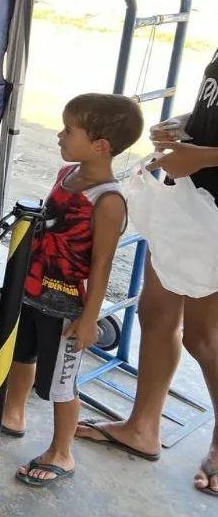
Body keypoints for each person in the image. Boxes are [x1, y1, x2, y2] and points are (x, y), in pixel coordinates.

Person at [0, 94, 143, 487]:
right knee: (20, 356)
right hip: (32, 290)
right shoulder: (65, 174)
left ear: (101, 146)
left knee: (61, 384)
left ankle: (62, 451)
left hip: (67, 309)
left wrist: (89, 318)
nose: (59, 135)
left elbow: (102, 265)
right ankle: (13, 414)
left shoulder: (108, 201)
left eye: (69, 130)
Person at [76, 49, 218, 498]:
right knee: (155, 312)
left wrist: (203, 156)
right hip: (191, 200)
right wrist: (183, 127)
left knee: (204, 336)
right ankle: (143, 426)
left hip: (212, 208)